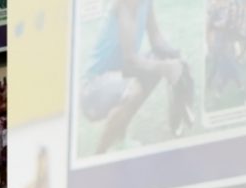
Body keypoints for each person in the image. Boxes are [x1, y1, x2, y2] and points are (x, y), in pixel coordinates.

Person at [78, 0, 191, 153]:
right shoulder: (126, 3)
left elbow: (156, 37)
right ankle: (99, 156)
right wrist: (165, 68)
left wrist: (176, 56)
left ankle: (119, 140)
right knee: (134, 87)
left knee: (159, 59)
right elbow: (130, 59)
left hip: (116, 77)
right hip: (92, 88)